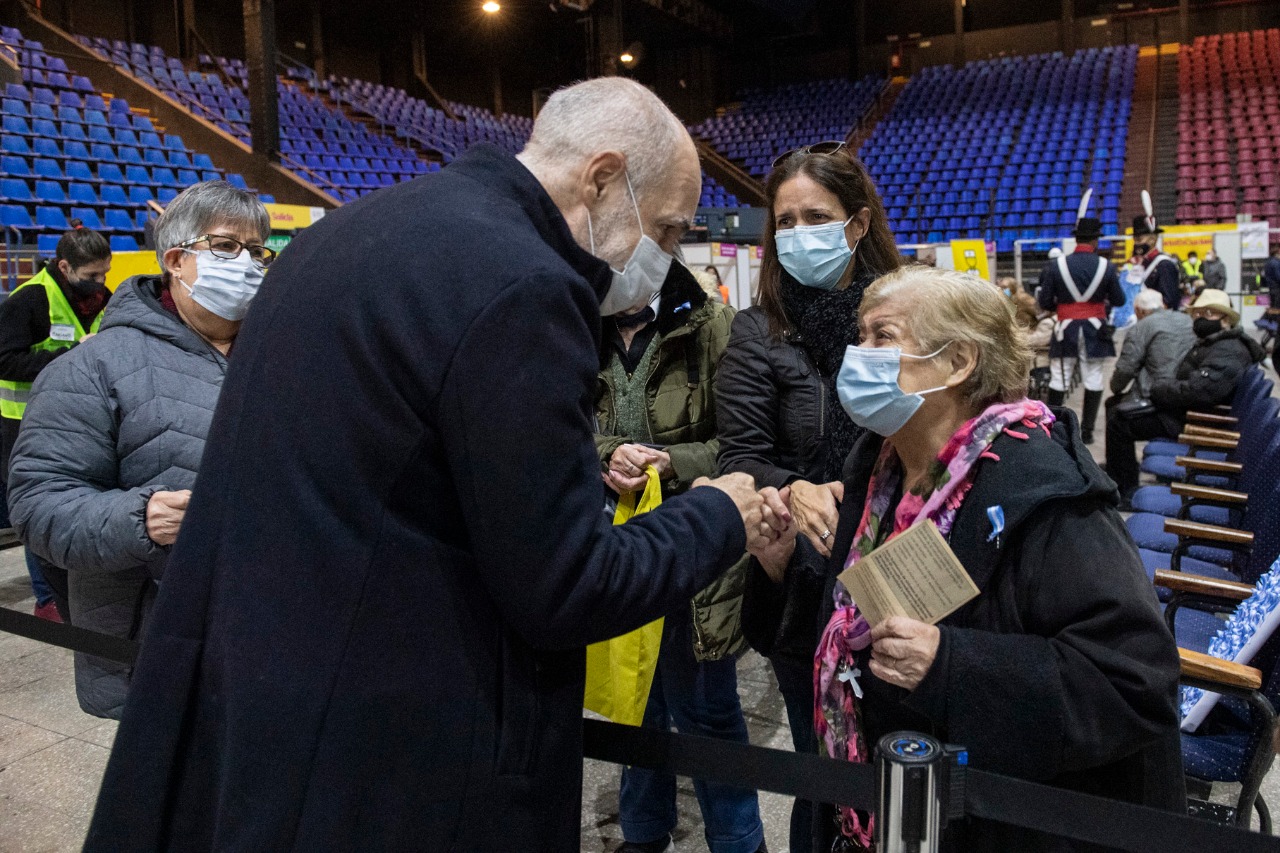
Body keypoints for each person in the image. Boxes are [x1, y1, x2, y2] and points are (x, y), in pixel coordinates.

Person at [83, 78, 788, 851]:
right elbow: (566, 586)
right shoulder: (526, 283)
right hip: (396, 759)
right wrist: (719, 511)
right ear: (602, 179)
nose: (665, 254)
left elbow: (411, 472)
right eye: (668, 226)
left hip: (257, 712)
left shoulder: (346, 234)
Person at [751, 266, 1184, 852]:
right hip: (889, 798)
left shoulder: (1045, 489)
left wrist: (951, 665)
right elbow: (852, 619)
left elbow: (1133, 682)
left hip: (1000, 821)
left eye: (883, 336)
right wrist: (782, 571)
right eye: (860, 336)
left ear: (958, 363)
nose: (859, 355)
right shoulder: (877, 467)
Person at [7, 182, 271, 719]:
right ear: (176, 258)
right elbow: (38, 507)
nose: (245, 263)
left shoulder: (288, 354)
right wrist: (141, 518)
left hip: (275, 633)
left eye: (257, 250)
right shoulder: (91, 368)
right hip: (155, 641)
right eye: (225, 247)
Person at [715, 140, 900, 853]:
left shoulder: (898, 317)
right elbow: (742, 457)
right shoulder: (758, 332)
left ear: (855, 225)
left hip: (902, 563)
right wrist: (793, 488)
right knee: (823, 767)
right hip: (807, 582)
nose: (796, 235)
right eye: (783, 221)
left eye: (814, 217)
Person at [595, 258, 763, 853]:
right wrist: (607, 455)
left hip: (701, 548)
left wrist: (676, 463)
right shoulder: (574, 324)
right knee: (635, 702)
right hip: (618, 545)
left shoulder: (716, 325)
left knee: (708, 710)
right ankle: (642, 832)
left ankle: (739, 840)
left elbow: (745, 443)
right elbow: (555, 425)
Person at [0, 220, 111, 622]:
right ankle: (46, 598)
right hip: (26, 424)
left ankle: (77, 589)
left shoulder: (103, 297)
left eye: (104, 274)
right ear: (64, 268)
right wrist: (70, 355)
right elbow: (5, 360)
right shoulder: (27, 300)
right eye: (91, 275)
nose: (99, 283)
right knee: (38, 508)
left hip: (82, 420)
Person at [1105, 288, 1265, 501]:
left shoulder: (1228, 350)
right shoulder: (1216, 342)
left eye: (1208, 314)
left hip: (1196, 419)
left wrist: (1160, 390)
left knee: (1119, 422)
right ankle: (1123, 479)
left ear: (1226, 319)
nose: (1200, 319)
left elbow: (1199, 391)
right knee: (1119, 411)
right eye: (1197, 314)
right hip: (1187, 410)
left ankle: (1125, 492)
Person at [1036, 215, 1125, 443]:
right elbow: (1119, 299)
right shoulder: (1106, 266)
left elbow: (1045, 302)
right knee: (1093, 378)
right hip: (1095, 330)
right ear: (1095, 241)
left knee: (1059, 378)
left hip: (1065, 329)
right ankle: (1086, 433)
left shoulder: (1058, 265)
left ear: (1077, 239)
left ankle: (1052, 430)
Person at [1108, 288, 1196, 407]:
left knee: (1113, 405)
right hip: (1184, 389)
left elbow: (1126, 368)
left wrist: (1115, 387)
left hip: (1153, 393)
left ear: (1139, 310)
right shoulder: (1187, 320)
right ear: (1163, 305)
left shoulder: (1140, 328)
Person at [1131, 214, 1181, 310]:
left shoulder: (1164, 265)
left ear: (1152, 239)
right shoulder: (1140, 263)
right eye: (1135, 240)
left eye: (1139, 239)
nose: (1136, 244)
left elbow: (1169, 300)